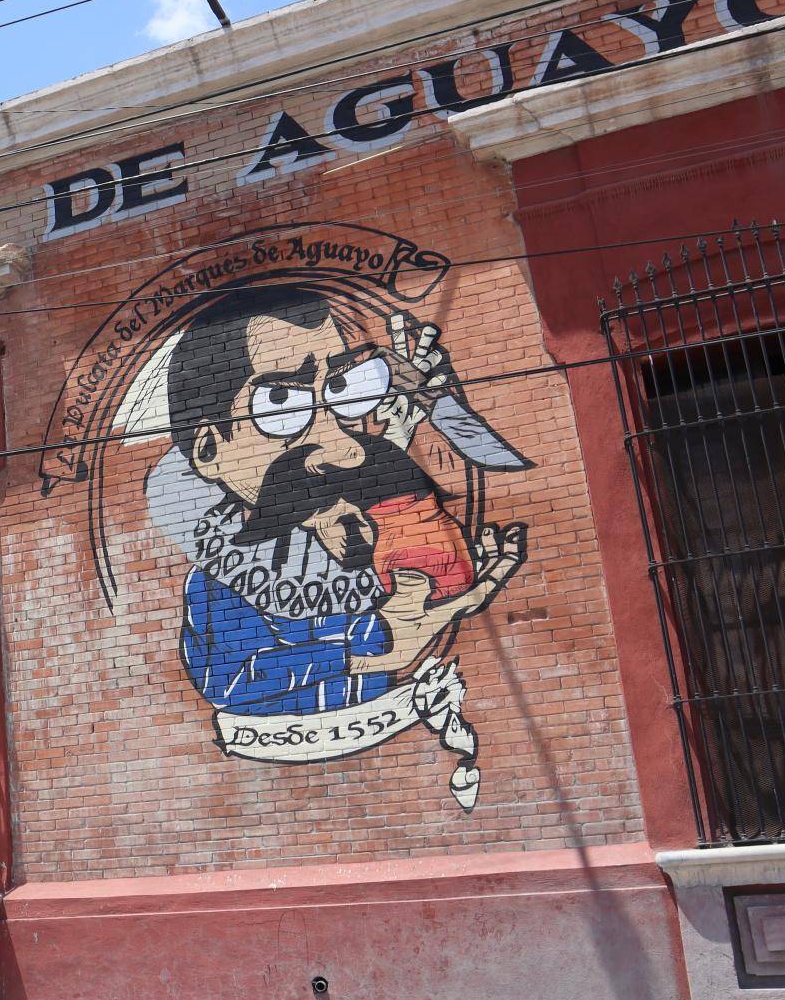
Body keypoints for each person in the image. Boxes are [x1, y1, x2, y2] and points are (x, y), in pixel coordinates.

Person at [150, 285, 524, 716]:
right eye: (280, 402)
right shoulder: (218, 582)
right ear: (209, 449)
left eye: (340, 389)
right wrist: (364, 652)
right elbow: (229, 681)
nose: (344, 447)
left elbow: (408, 625)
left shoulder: (372, 553)